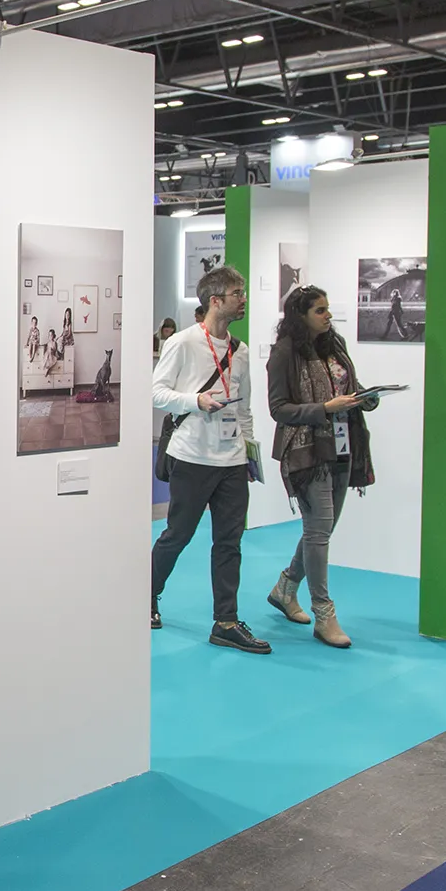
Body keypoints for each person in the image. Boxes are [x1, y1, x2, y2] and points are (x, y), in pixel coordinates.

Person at [151, 265, 266, 653]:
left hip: (231, 461)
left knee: (229, 542)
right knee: (177, 536)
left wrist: (248, 451)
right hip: (192, 457)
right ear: (216, 301)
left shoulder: (242, 351)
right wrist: (195, 401)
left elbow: (245, 405)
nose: (243, 299)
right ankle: (145, 596)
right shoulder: (183, 343)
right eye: (238, 293)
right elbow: (156, 393)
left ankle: (226, 622)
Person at [265, 287, 377, 648]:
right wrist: (324, 409)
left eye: (328, 309)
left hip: (345, 445)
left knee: (322, 528)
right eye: (320, 310)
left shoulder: (335, 345)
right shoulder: (285, 353)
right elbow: (279, 409)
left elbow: (347, 385)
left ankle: (285, 587)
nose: (328, 316)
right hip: (307, 451)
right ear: (301, 315)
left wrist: (365, 397)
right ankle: (323, 613)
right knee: (318, 531)